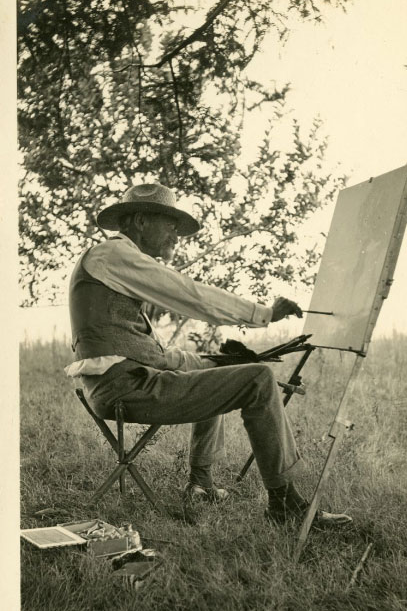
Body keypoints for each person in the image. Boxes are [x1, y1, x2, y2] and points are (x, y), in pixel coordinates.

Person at [66, 182, 351, 526]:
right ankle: (286, 505)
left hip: (120, 384)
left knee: (208, 368)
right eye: (170, 223)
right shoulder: (113, 256)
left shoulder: (114, 267)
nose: (176, 234)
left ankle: (200, 484)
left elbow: (151, 354)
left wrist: (215, 361)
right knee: (259, 379)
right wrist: (263, 314)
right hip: (123, 389)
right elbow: (190, 294)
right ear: (140, 220)